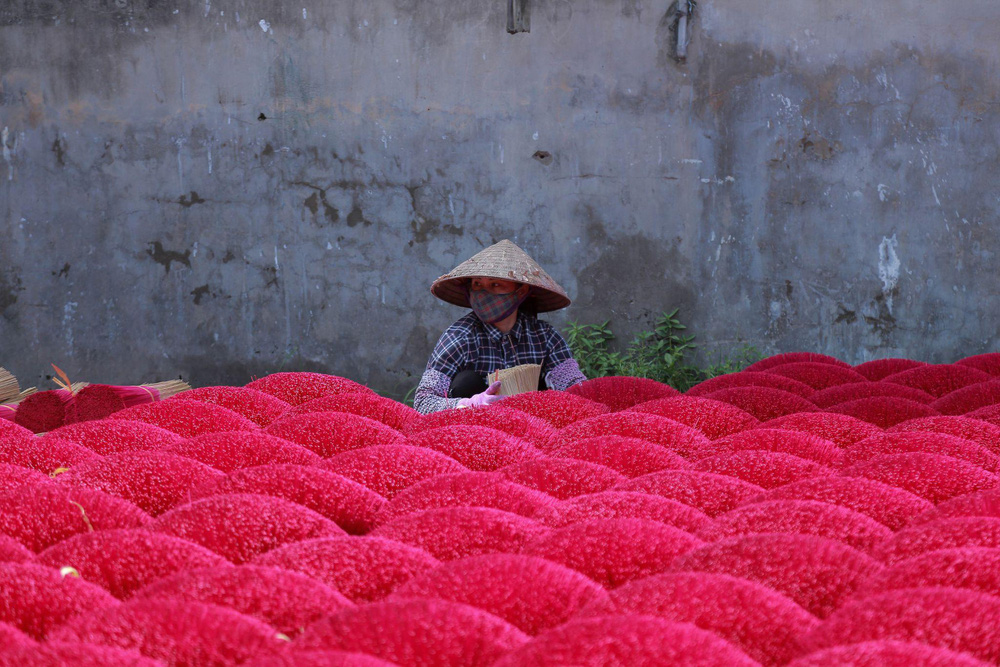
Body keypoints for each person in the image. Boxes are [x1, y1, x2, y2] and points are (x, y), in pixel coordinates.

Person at [414, 239, 587, 414]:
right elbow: (423, 402)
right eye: (477, 284)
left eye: (495, 284)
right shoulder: (460, 336)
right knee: (466, 381)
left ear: (521, 291)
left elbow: (576, 389)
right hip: (474, 431)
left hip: (532, 426)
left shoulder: (544, 336)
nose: (483, 292)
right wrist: (470, 404)